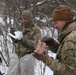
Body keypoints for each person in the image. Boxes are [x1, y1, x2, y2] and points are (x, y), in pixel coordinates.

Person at [33, 5, 76, 75]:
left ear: (64, 21)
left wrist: (46, 59)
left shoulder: (70, 39)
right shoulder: (71, 34)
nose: (54, 26)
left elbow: (69, 71)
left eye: (56, 22)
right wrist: (52, 44)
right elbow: (67, 54)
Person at [7, 10, 41, 75]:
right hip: (17, 55)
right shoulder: (21, 27)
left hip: (27, 56)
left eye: (25, 19)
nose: (23, 20)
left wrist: (24, 41)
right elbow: (17, 40)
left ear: (30, 19)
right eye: (22, 19)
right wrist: (13, 36)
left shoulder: (36, 30)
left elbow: (36, 45)